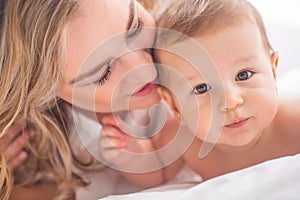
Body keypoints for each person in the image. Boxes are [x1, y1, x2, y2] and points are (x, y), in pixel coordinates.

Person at [100, 0, 300, 188]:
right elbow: (159, 170)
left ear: (273, 73)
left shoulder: (293, 122)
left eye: (244, 75)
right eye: (202, 88)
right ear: (175, 106)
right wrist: (131, 152)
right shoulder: (184, 138)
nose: (230, 101)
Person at [0, 0, 170, 199]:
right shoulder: (30, 141)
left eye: (136, 28)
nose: (146, 70)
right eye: (103, 74)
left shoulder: (192, 33)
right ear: (45, 93)